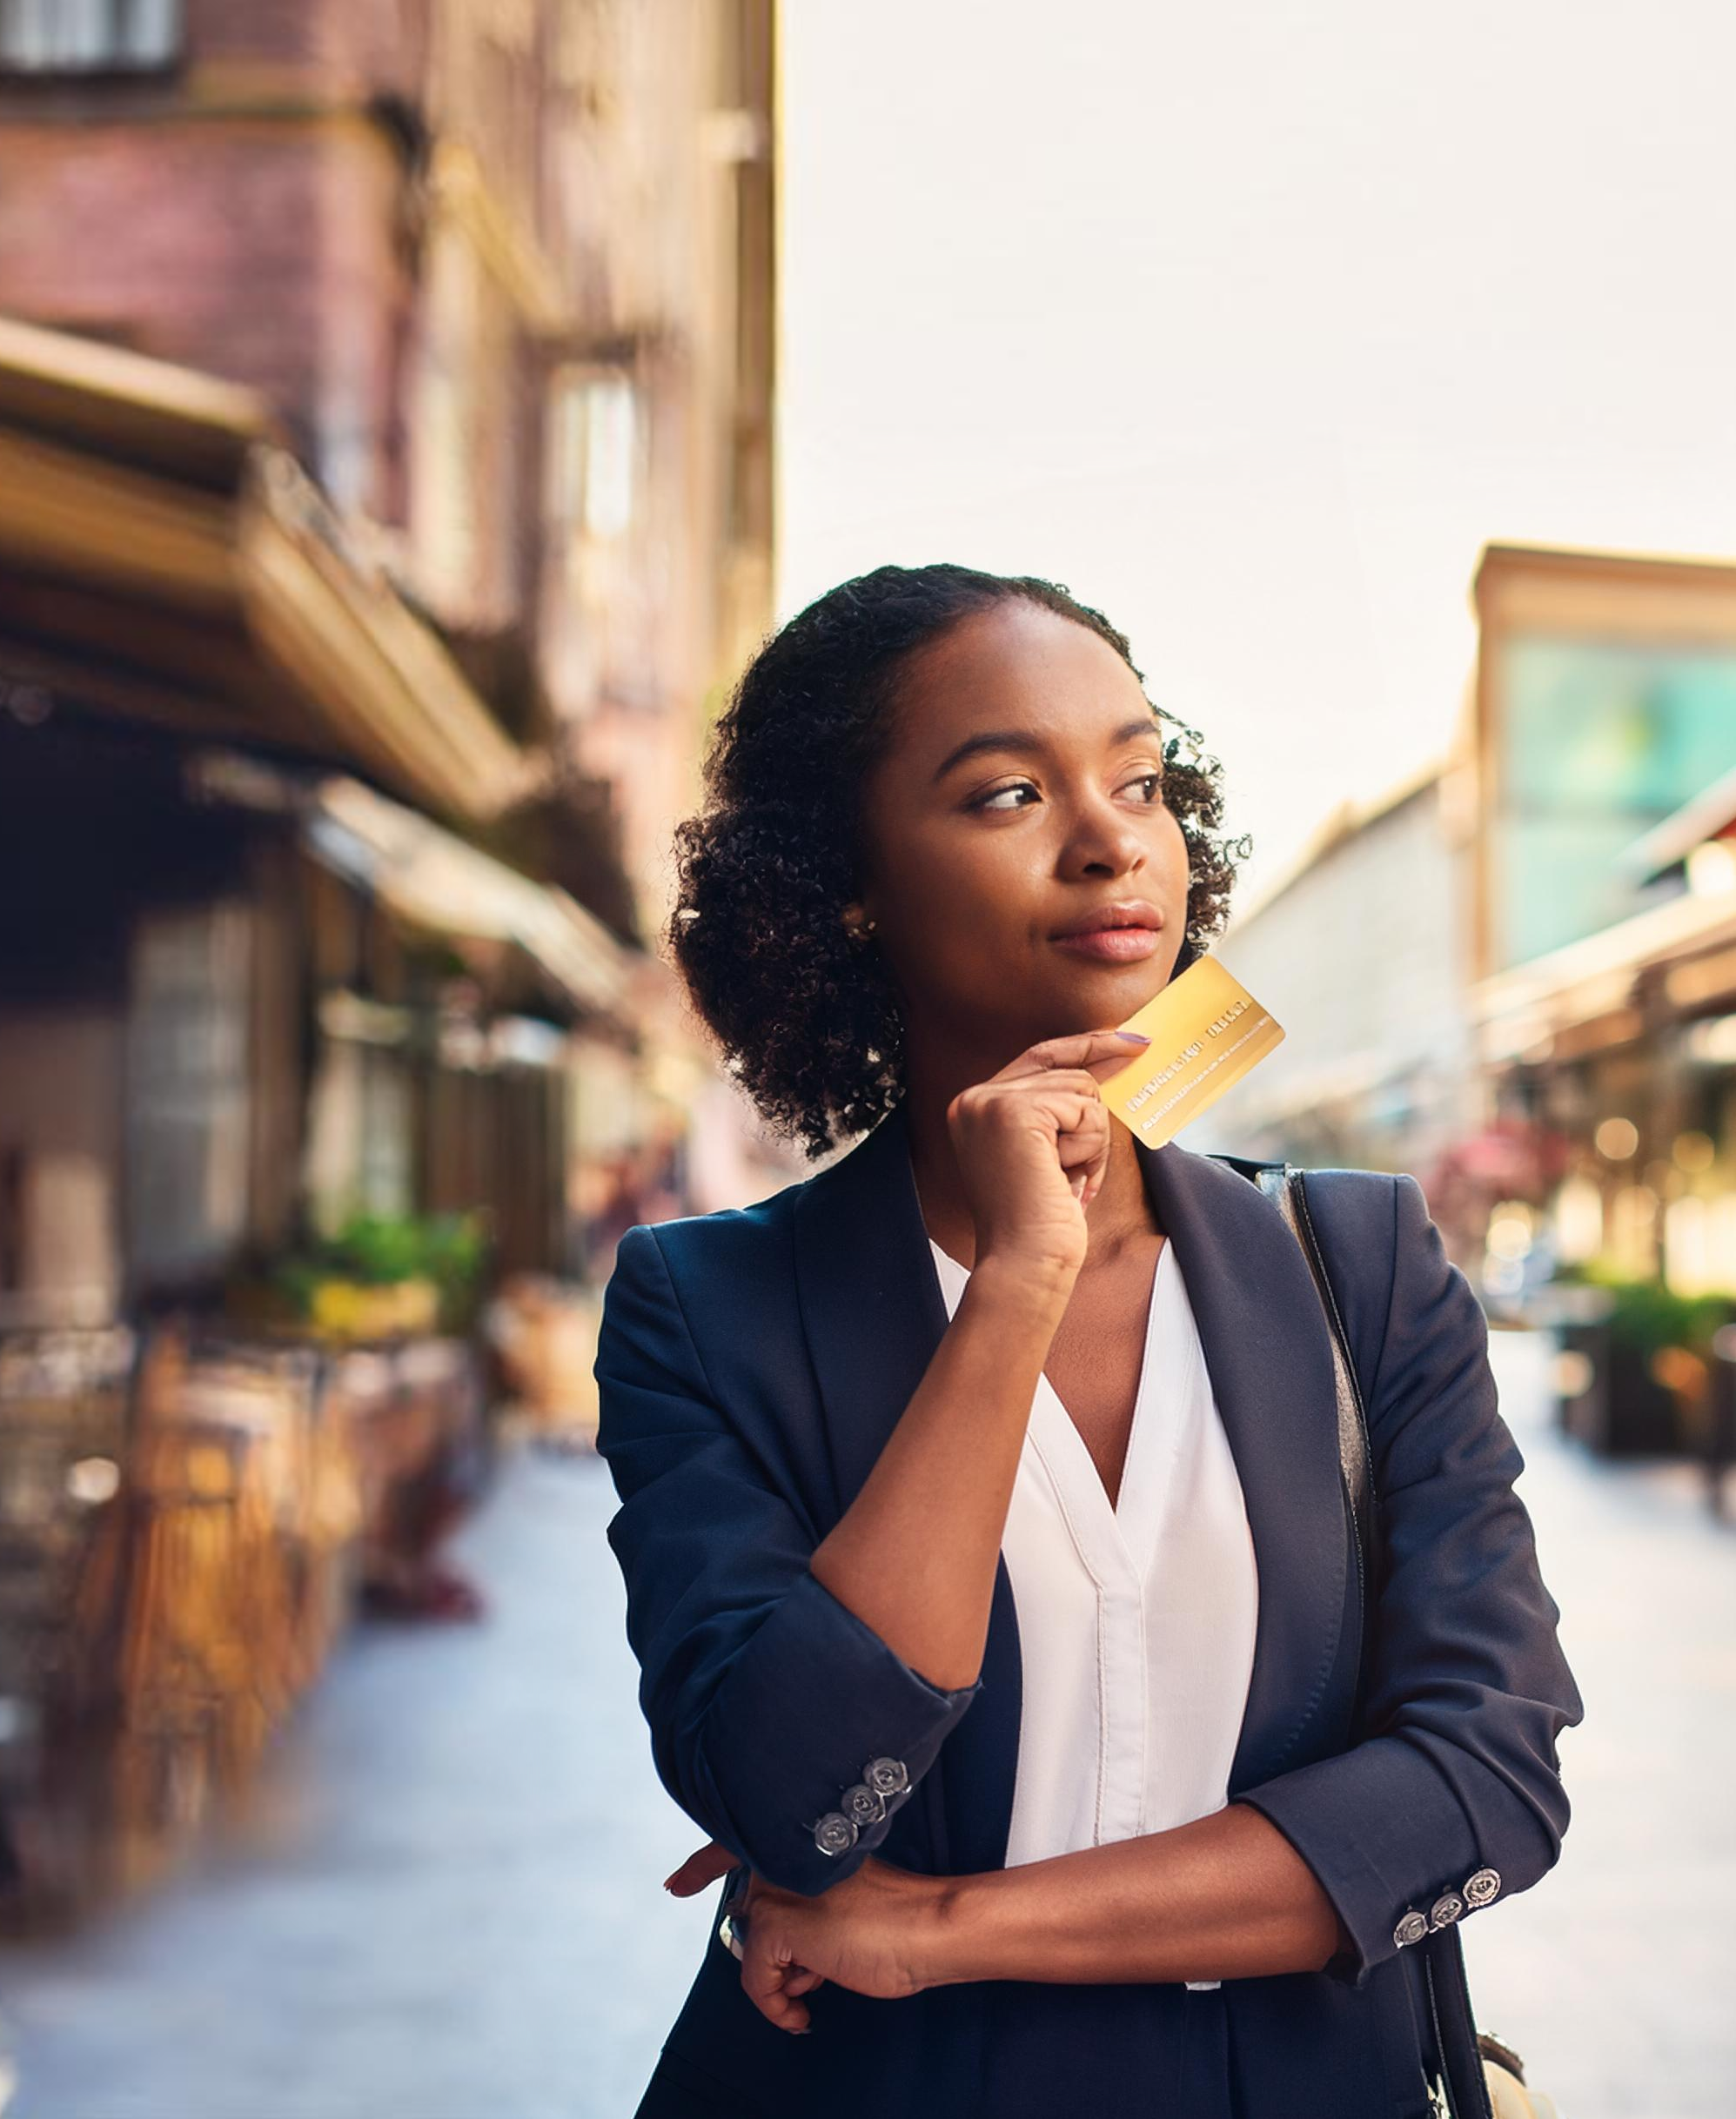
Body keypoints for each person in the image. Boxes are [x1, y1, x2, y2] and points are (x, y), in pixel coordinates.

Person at [597, 563, 1581, 2116]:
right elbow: (791, 1802)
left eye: (1139, 778)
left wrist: (938, 1926)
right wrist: (1012, 1294)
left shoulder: (1362, 1263)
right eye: (1004, 793)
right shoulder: (707, 1309)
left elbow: (1483, 1785)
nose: (1112, 837)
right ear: (844, 880)